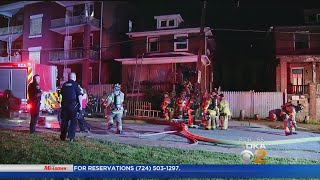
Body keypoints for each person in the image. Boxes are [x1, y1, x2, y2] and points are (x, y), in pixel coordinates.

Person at [60, 72, 83, 142]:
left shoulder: (64, 85)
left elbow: (60, 95)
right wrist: (81, 106)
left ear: (69, 78)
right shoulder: (76, 85)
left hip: (64, 106)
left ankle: (63, 137)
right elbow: (79, 96)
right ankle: (71, 137)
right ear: (75, 78)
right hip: (73, 107)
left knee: (64, 122)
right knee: (73, 122)